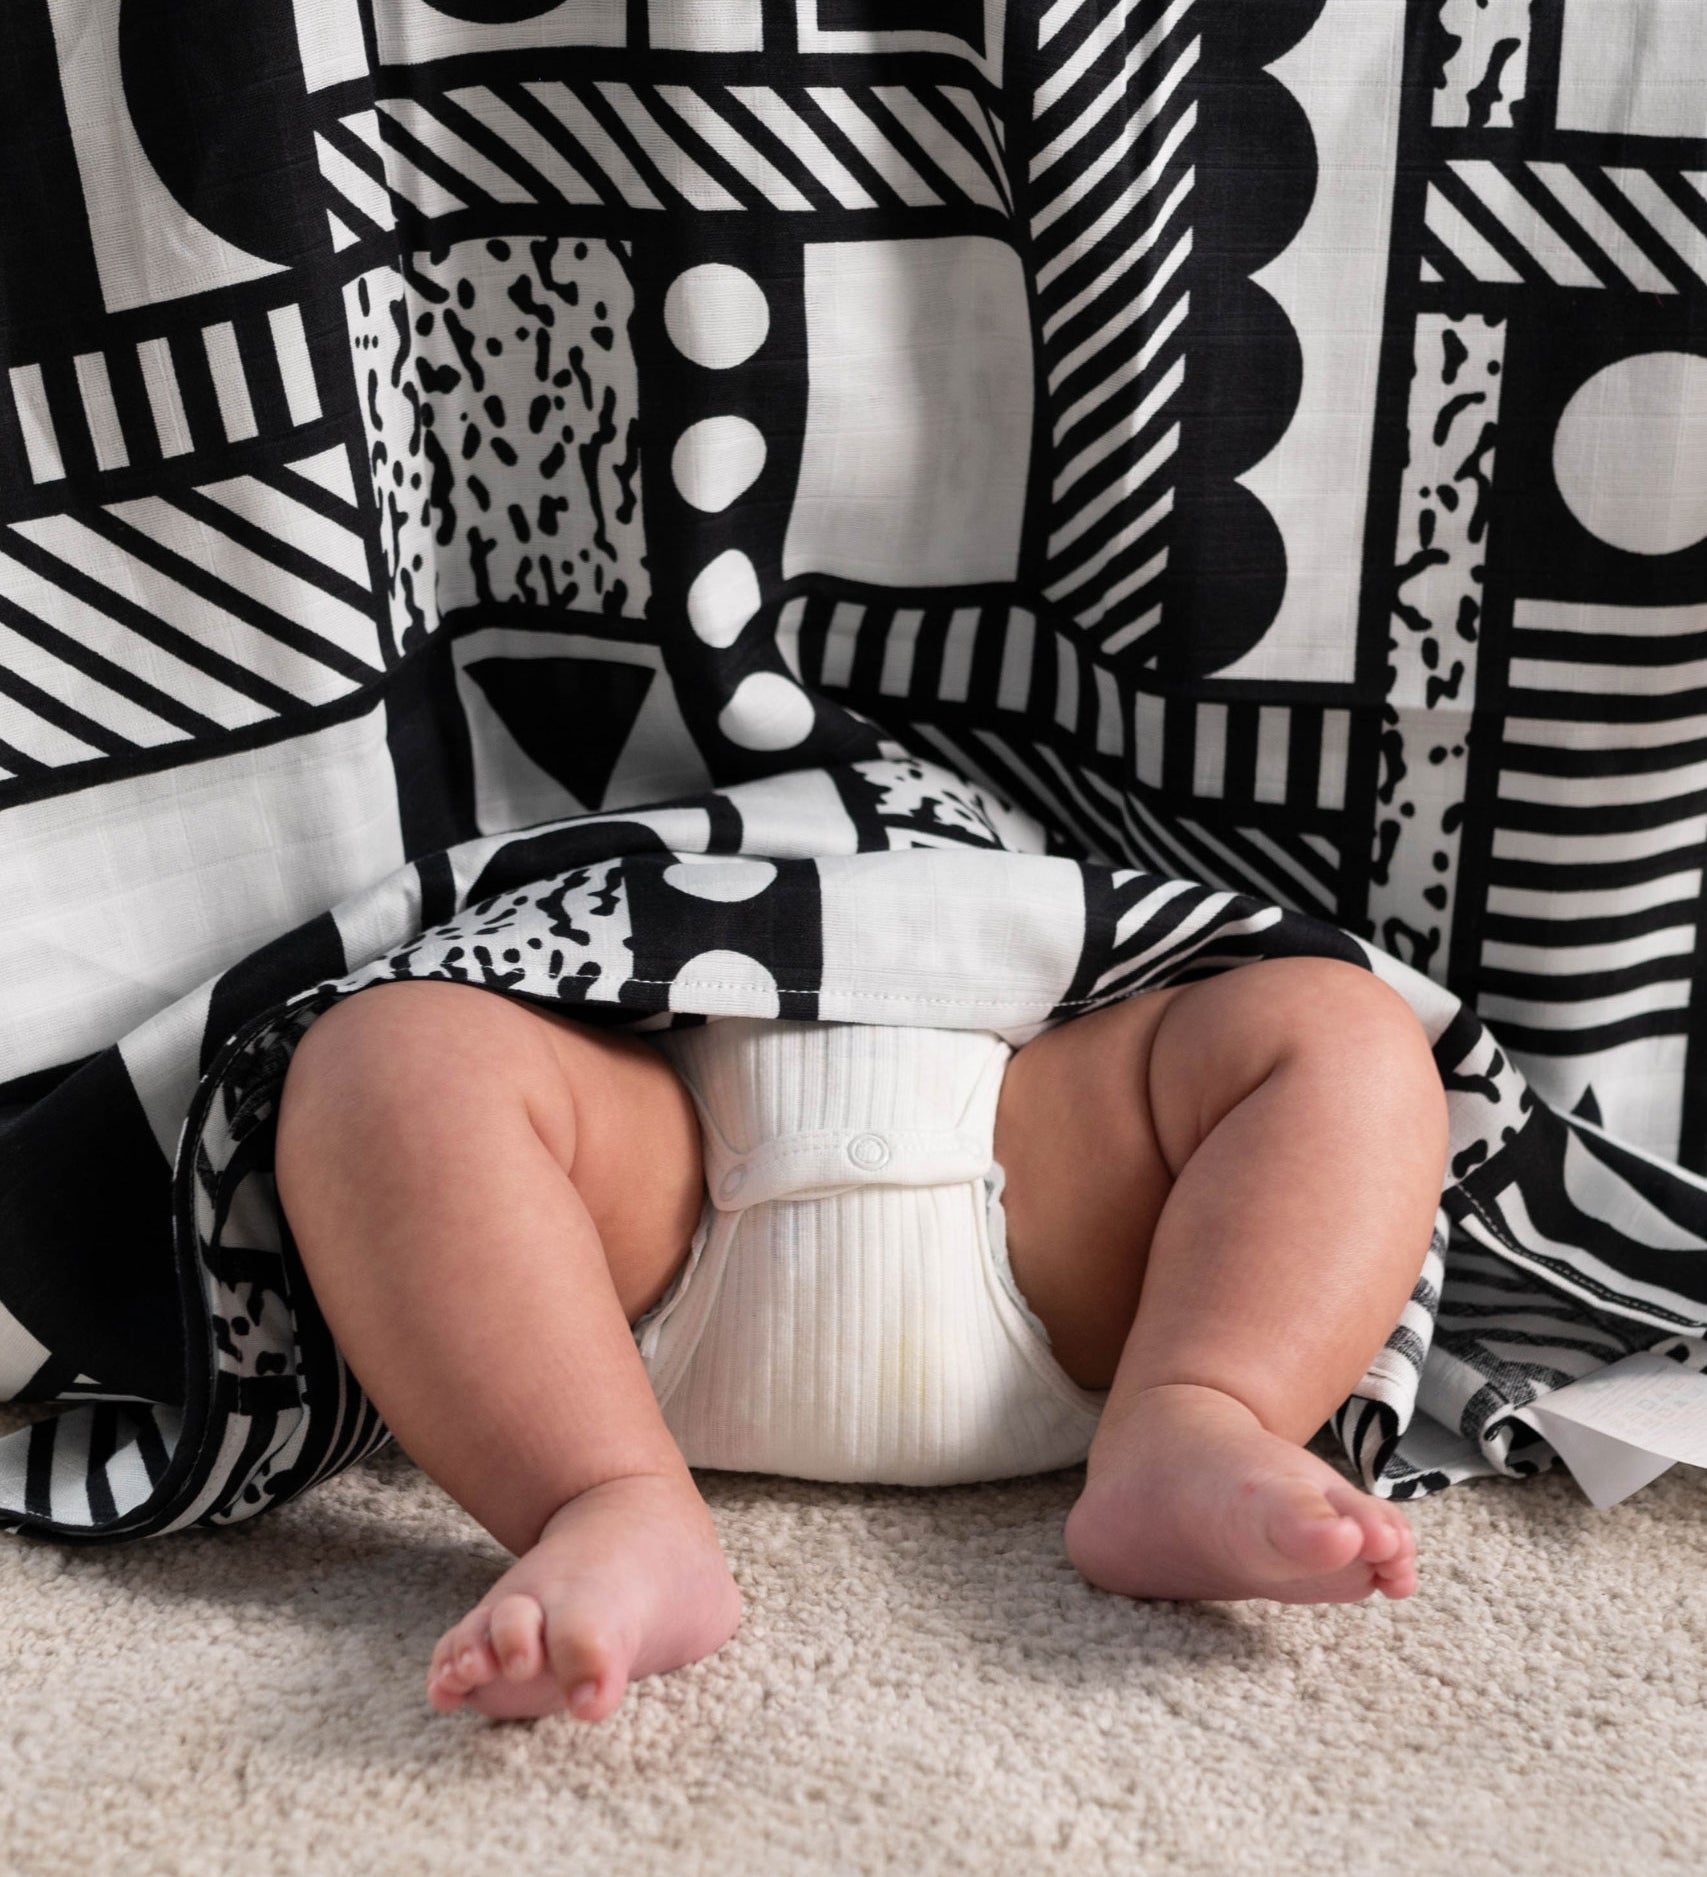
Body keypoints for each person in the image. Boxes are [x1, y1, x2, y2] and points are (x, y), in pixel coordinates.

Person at [273, 954, 1447, 1723]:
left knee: (1338, 1020)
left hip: (1042, 1147)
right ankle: (603, 1494)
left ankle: (1199, 1410)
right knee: (392, 1049)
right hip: (633, 1172)